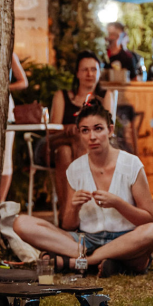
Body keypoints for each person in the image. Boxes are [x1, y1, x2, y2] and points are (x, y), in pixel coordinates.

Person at [12, 101, 153, 277]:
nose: (92, 136)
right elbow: (68, 225)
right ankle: (113, 261)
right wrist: (75, 207)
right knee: (20, 223)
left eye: (98, 129)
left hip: (126, 238)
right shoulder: (75, 169)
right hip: (85, 241)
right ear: (80, 134)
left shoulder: (131, 164)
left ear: (110, 130)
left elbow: (148, 219)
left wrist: (118, 203)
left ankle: (85, 262)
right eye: (85, 130)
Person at [41, 51, 107, 202]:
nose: (89, 74)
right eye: (85, 69)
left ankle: (67, 212)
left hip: (81, 149)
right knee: (76, 137)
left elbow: (108, 129)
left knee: (64, 152)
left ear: (99, 73)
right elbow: (52, 129)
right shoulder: (62, 96)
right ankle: (82, 206)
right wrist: (68, 128)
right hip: (53, 144)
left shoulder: (103, 98)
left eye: (94, 69)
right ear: (77, 73)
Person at [0, 52, 29, 203]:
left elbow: (23, 81)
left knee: (5, 157)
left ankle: (1, 203)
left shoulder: (9, 54)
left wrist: (4, 87)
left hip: (5, 105)